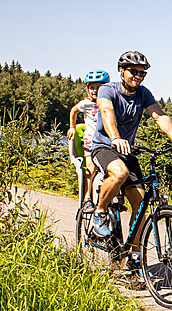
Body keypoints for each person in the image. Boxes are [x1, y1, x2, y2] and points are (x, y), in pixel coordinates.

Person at [90, 50, 172, 273]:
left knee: (141, 204)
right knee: (119, 173)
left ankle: (134, 257)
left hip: (127, 151)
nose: (138, 76)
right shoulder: (109, 89)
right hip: (105, 146)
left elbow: (160, 116)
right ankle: (100, 213)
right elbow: (106, 112)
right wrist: (115, 138)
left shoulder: (143, 93)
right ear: (121, 71)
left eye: (142, 73)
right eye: (133, 72)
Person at [67, 69, 110, 212]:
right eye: (92, 87)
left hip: (105, 142)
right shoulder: (86, 104)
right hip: (90, 142)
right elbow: (73, 111)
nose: (95, 90)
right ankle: (87, 199)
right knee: (90, 170)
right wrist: (72, 127)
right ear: (87, 89)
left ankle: (110, 198)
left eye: (99, 87)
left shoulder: (108, 103)